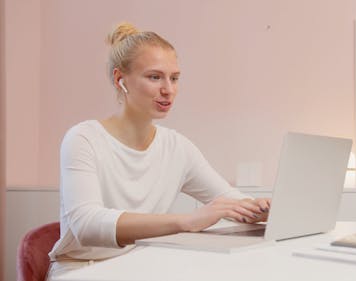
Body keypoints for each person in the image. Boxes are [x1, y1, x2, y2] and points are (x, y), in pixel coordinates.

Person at [46, 22, 270, 280]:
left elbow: (229, 201)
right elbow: (87, 224)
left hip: (142, 267)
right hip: (83, 271)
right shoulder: (83, 138)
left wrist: (261, 210)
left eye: (174, 78)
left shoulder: (177, 147)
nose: (169, 90)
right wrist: (187, 221)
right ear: (120, 80)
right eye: (155, 77)